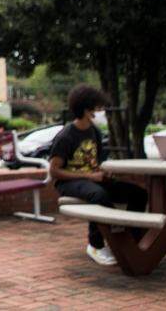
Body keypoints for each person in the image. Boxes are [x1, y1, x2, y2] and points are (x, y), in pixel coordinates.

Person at [49, 85, 148, 266]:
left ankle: (132, 238)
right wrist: (89, 176)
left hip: (92, 179)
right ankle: (95, 244)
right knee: (99, 195)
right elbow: (54, 171)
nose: (100, 110)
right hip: (68, 183)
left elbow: (95, 162)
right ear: (86, 109)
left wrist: (103, 172)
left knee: (139, 194)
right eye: (97, 107)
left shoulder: (94, 131)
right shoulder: (66, 136)